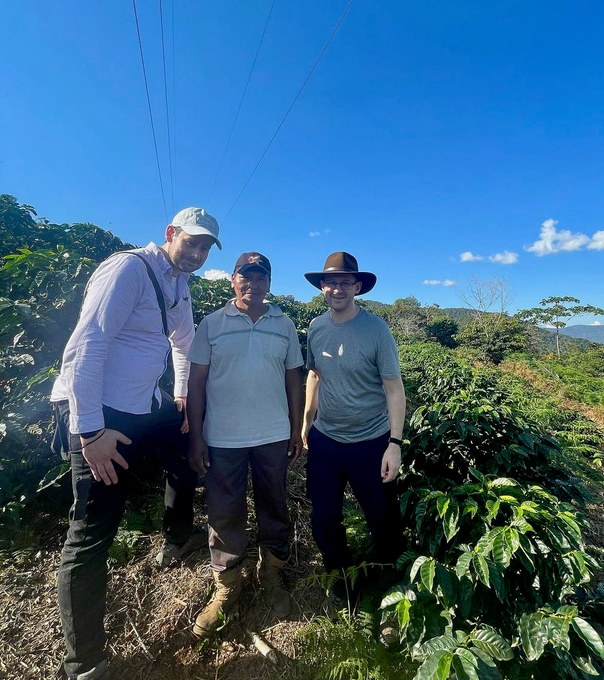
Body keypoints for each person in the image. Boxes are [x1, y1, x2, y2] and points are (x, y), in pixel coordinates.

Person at [50, 207, 221, 680]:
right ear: (171, 234)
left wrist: (182, 397)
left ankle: (175, 538)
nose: (199, 253)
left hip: (144, 404)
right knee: (90, 534)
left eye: (207, 247)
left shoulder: (180, 285)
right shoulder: (128, 268)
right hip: (100, 412)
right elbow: (87, 344)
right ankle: (84, 663)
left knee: (186, 444)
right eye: (193, 242)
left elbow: (183, 342)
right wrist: (90, 431)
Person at [187, 252, 304, 638]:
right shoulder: (212, 324)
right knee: (223, 512)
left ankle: (271, 572)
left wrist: (294, 427)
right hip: (223, 438)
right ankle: (227, 585)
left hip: (272, 434)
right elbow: (197, 383)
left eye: (261, 276)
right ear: (232, 281)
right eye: (245, 276)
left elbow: (293, 380)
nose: (253, 283)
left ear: (269, 282)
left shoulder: (284, 324)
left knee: (275, 504)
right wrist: (197, 435)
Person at [301, 251, 406, 601]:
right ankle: (341, 577)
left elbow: (394, 388)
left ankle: (392, 586)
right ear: (322, 288)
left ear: (357, 287)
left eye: (345, 283)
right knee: (324, 517)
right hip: (326, 439)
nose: (337, 289)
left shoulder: (377, 330)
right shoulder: (316, 328)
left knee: (383, 518)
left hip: (371, 440)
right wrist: (306, 422)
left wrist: (395, 443)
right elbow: (314, 374)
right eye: (331, 282)